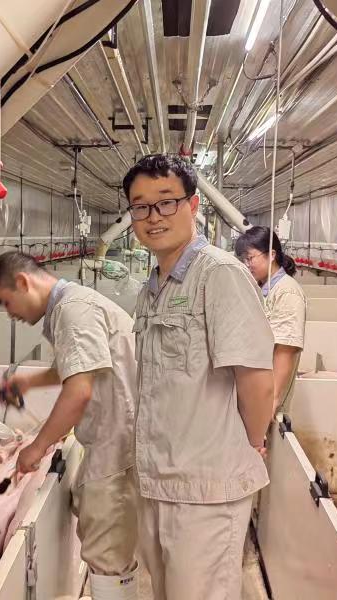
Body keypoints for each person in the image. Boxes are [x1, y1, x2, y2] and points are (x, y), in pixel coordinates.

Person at [123, 154, 274, 600]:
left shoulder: (220, 275)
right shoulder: (152, 287)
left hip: (205, 491)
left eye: (166, 202)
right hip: (158, 483)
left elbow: (256, 379)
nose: (154, 216)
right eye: (140, 206)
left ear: (193, 206)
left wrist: (248, 444)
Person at [0, 252, 139, 599]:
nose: (9, 313)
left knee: (107, 553)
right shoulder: (72, 306)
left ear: (23, 282)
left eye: (6, 302)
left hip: (116, 447)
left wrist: (38, 447)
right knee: (108, 547)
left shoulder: (73, 310)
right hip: (116, 442)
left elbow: (79, 390)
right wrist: (28, 382)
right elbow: (79, 367)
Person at [235, 226, 307, 415]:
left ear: (272, 255)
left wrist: (273, 398)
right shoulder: (262, 288)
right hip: (255, 390)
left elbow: (285, 349)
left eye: (250, 258)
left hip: (267, 397)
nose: (247, 264)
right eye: (244, 259)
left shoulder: (287, 292)